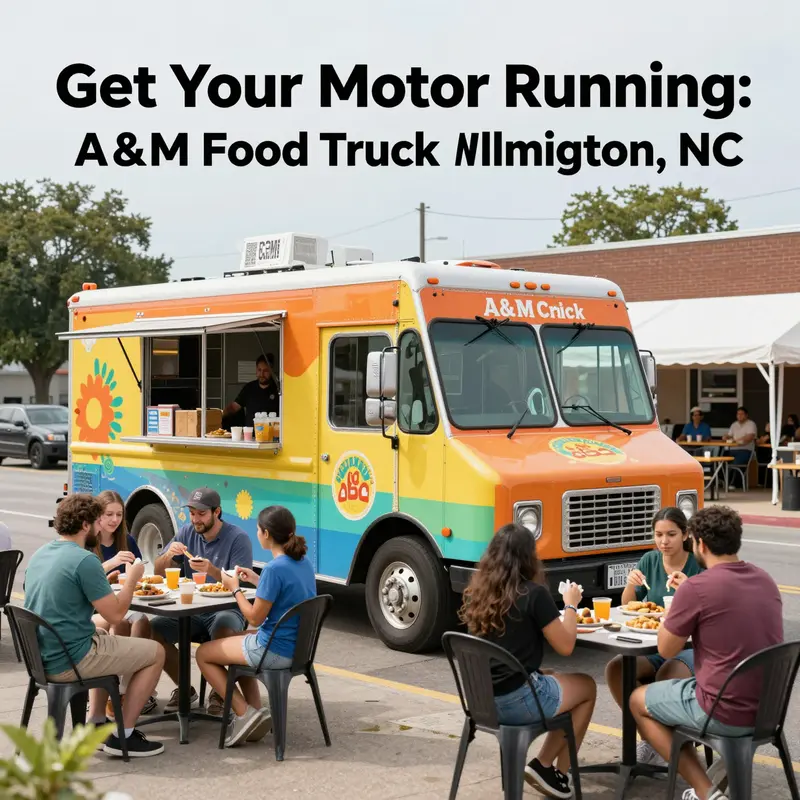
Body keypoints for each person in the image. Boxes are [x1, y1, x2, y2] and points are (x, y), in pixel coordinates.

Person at [630, 505, 783, 800]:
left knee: (638, 700)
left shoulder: (697, 588)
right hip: (769, 709)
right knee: (671, 686)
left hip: (724, 709)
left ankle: (705, 792)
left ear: (699, 543)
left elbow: (665, 647)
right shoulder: (765, 579)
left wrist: (674, 610)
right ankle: (719, 775)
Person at [459, 523, 596, 799]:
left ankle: (543, 767)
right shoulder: (534, 593)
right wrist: (571, 604)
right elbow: (566, 645)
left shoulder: (479, 593)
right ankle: (552, 770)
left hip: (481, 702)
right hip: (516, 702)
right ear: (528, 557)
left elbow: (505, 646)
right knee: (587, 687)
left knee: (556, 678)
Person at [23, 494, 165, 757]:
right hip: (69, 659)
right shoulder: (84, 560)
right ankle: (124, 735)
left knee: (100, 634)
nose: (102, 527)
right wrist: (133, 578)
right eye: (98, 521)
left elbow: (58, 601)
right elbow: (117, 615)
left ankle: (96, 720)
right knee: (156, 652)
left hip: (42, 657)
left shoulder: (42, 553)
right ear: (86, 525)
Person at [196, 505, 317, 747]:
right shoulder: (302, 562)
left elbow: (254, 618)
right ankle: (257, 713)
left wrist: (235, 588)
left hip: (275, 651)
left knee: (204, 653)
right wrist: (255, 579)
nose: (257, 534)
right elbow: (284, 594)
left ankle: (244, 713)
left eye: (259, 530)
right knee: (235, 639)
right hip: (299, 649)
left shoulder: (274, 568)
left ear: (267, 534)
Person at [604, 507, 703, 766]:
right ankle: (650, 738)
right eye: (658, 534)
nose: (664, 541)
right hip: (655, 641)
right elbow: (628, 606)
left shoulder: (697, 564)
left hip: (690, 646)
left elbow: (706, 614)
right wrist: (630, 583)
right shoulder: (649, 560)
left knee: (665, 678)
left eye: (671, 534)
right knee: (616, 669)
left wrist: (689, 590)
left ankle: (667, 744)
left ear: (685, 535)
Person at [150, 487, 253, 716]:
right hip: (192, 609)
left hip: (226, 607)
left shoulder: (237, 538)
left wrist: (212, 570)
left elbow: (242, 585)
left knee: (222, 629)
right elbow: (157, 571)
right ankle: (185, 689)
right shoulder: (186, 533)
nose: (196, 519)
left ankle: (221, 692)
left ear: (217, 512)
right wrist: (168, 556)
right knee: (152, 629)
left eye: (202, 514)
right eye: (193, 513)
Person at [86, 490, 155, 721]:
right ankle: (111, 690)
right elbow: (88, 578)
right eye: (108, 514)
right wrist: (112, 563)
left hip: (124, 600)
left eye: (119, 514)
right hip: (97, 607)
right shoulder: (89, 543)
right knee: (119, 622)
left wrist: (137, 574)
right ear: (98, 516)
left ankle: (126, 689)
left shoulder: (127, 540)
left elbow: (136, 573)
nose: (114, 520)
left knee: (143, 622)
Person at [223, 354, 280, 428]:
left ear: (271, 371)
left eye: (265, 371)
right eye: (259, 370)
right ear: (256, 370)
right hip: (250, 436)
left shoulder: (278, 389)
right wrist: (219, 414)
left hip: (272, 436)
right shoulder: (249, 388)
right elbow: (234, 407)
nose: (262, 374)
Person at [725, 406, 757, 488]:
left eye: (742, 414)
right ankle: (722, 482)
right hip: (732, 449)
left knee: (736, 462)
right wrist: (726, 437)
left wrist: (736, 440)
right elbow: (729, 435)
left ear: (746, 415)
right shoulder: (734, 425)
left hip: (746, 450)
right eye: (738, 414)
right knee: (721, 459)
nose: (739, 416)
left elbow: (749, 437)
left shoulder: (751, 424)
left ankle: (734, 483)